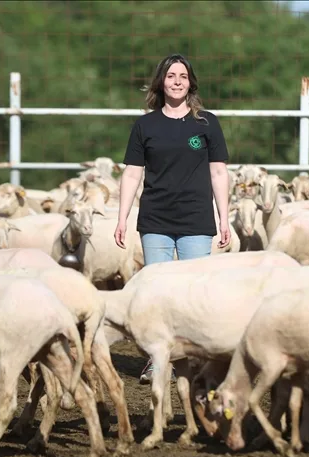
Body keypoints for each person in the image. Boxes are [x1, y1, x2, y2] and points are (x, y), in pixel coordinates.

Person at [114, 53, 231, 384]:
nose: (177, 81)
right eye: (170, 76)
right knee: (158, 292)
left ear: (191, 82)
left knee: (195, 292)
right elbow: (133, 174)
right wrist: (122, 218)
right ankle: (156, 358)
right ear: (160, 83)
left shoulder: (206, 122)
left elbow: (219, 171)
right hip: (156, 220)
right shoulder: (145, 125)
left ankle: (197, 358)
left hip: (196, 218)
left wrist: (224, 218)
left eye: (182, 76)